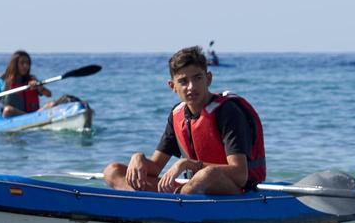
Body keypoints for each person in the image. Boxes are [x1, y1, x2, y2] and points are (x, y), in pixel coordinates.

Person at [102, 46, 266, 195]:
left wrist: (188, 164)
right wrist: (137, 158)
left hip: (235, 190)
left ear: (208, 79)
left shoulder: (228, 112)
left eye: (197, 78)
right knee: (113, 171)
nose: (191, 87)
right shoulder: (177, 115)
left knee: (206, 175)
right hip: (193, 188)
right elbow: (155, 167)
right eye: (183, 81)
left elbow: (240, 175)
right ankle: (157, 205)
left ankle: (174, 203)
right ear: (172, 86)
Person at [0, 50, 52, 118]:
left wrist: (40, 87)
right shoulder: (2, 81)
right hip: (14, 115)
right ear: (14, 64)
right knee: (8, 110)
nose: (25, 66)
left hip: (34, 115)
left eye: (28, 63)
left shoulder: (32, 80)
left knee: (52, 104)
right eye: (22, 63)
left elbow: (49, 94)